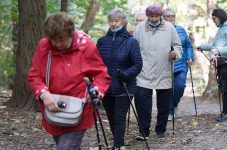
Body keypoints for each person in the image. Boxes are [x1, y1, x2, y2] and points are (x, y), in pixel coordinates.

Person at [27, 12, 111, 149]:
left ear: (71, 33)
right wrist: (43, 93)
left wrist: (96, 92)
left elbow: (102, 75)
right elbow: (34, 75)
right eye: (53, 40)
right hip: (53, 109)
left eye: (61, 39)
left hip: (80, 110)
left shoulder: (86, 47)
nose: (57, 44)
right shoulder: (44, 46)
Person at [133, 5, 182, 140]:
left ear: (160, 16)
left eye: (156, 16)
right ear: (148, 16)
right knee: (142, 103)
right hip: (144, 71)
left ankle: (161, 130)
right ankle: (143, 132)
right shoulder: (139, 28)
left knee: (164, 104)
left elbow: (178, 45)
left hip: (164, 69)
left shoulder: (169, 27)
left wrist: (175, 53)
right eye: (151, 17)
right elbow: (133, 48)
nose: (154, 19)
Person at [96, 8, 142, 149]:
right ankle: (117, 141)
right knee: (110, 116)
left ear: (123, 22)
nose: (114, 24)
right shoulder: (102, 41)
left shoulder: (131, 42)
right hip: (106, 85)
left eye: (117, 21)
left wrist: (126, 74)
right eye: (111, 21)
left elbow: (138, 64)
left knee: (119, 116)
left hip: (125, 85)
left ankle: (118, 145)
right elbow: (95, 62)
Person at [197, 8, 227, 122]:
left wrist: (219, 51)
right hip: (221, 63)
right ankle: (225, 112)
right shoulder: (222, 29)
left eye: (214, 19)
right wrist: (202, 46)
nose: (214, 21)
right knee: (223, 88)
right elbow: (215, 45)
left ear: (219, 17)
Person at [162, 8, 194, 120]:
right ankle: (169, 112)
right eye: (168, 16)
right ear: (163, 18)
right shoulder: (160, 31)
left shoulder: (181, 30)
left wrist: (190, 57)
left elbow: (188, 45)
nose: (171, 18)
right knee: (168, 90)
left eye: (172, 16)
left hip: (181, 66)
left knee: (179, 87)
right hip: (166, 66)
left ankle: (174, 105)